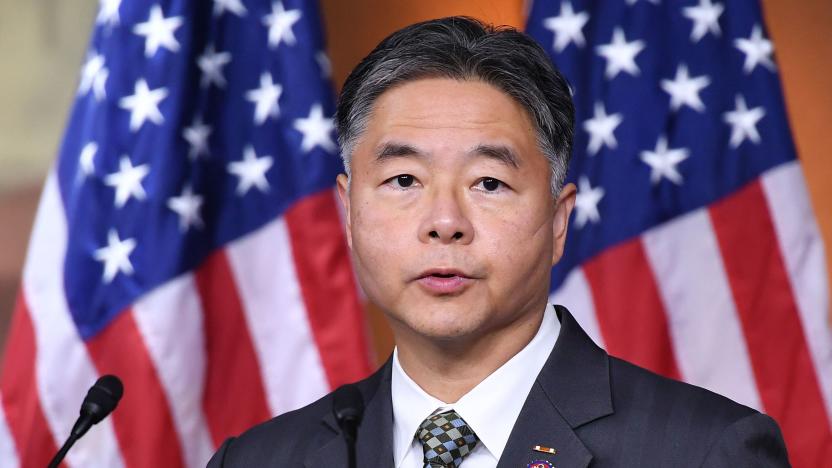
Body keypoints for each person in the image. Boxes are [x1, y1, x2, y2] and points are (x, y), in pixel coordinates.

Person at [207, 17, 789, 468]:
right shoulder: (258, 459)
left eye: (489, 182)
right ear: (349, 212)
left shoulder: (703, 451)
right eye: (404, 180)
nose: (444, 222)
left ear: (559, 220)